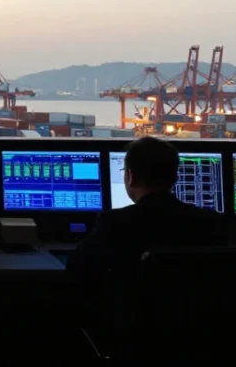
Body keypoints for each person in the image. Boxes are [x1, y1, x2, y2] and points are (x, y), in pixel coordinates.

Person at [66, 136, 226, 323]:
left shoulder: (114, 223)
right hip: (196, 334)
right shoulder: (210, 222)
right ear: (174, 178)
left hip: (130, 338)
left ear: (130, 177)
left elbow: (76, 271)